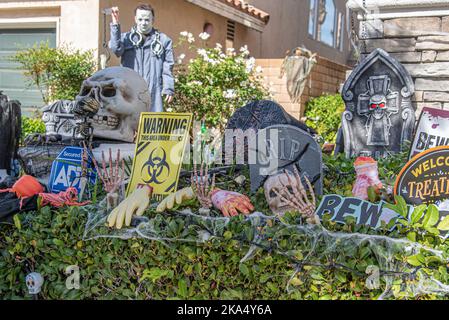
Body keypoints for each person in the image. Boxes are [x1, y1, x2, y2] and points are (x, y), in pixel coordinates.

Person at [109, 4, 174, 112]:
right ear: (135, 19)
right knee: (129, 125)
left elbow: (168, 66)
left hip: (154, 93)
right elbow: (116, 49)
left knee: (153, 125)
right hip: (130, 92)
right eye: (140, 19)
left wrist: (168, 88)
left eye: (147, 20)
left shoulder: (164, 41)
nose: (143, 23)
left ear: (153, 19)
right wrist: (115, 23)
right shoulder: (126, 39)